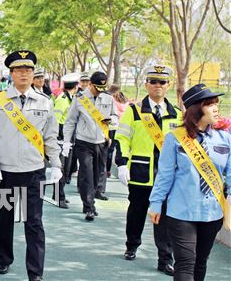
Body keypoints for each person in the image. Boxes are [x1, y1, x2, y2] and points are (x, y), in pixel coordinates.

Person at [0, 50, 62, 281]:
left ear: (33, 73)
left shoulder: (45, 102)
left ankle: (35, 272)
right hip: (5, 171)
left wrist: (55, 163)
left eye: (28, 70)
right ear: (11, 74)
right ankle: (3, 259)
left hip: (33, 171)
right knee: (5, 218)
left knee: (34, 222)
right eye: (19, 70)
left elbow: (50, 137)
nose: (24, 74)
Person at [149, 84, 230, 281]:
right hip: (181, 211)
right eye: (209, 104)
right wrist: (156, 203)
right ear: (196, 109)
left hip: (212, 212)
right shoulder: (175, 139)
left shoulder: (225, 139)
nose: (215, 108)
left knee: (201, 262)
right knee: (185, 263)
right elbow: (165, 175)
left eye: (216, 104)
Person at [115, 65, 180, 276]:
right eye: (153, 81)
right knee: (137, 212)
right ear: (146, 84)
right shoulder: (134, 111)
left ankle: (165, 259)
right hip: (140, 172)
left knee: (165, 218)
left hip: (167, 176)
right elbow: (122, 137)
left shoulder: (176, 114)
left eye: (162, 82)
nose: (157, 86)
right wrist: (122, 163)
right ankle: (131, 244)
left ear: (168, 86)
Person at [62, 71, 119, 221]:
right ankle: (89, 207)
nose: (100, 91)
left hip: (101, 141)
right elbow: (70, 121)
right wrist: (67, 142)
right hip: (83, 141)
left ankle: (89, 199)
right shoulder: (80, 98)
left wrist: (111, 120)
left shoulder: (108, 98)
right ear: (90, 84)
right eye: (97, 88)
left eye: (102, 88)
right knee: (87, 173)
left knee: (97, 173)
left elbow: (116, 117)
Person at [52, 72, 80, 208]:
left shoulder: (70, 98)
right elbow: (56, 120)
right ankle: (59, 197)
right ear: (75, 86)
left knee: (66, 169)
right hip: (61, 139)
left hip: (67, 139)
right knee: (61, 168)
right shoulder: (63, 100)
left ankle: (58, 194)